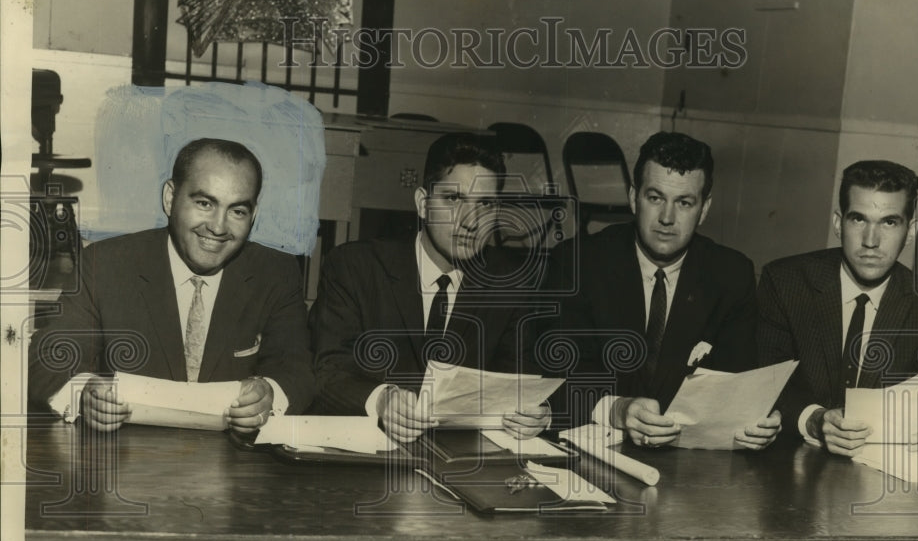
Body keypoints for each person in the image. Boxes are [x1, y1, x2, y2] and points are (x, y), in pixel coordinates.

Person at [29, 138, 315, 436]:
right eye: (204, 203)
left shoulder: (275, 273)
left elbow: (297, 371)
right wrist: (83, 394)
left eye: (237, 211)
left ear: (253, 216)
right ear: (170, 198)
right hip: (124, 460)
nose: (218, 227)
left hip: (235, 465)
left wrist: (269, 394)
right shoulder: (106, 264)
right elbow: (47, 360)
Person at [309, 131, 549, 443]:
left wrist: (534, 414)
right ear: (423, 204)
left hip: (459, 460)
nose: (471, 221)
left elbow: (519, 381)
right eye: (453, 199)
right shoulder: (356, 267)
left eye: (486, 203)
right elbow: (326, 370)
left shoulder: (511, 283)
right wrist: (381, 400)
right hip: (363, 455)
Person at [546, 131, 779, 450]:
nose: (667, 218)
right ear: (632, 198)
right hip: (592, 448)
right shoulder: (578, 263)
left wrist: (755, 420)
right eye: (655, 198)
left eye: (684, 202)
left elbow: (735, 385)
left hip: (689, 462)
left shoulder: (731, 274)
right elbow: (554, 378)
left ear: (704, 209)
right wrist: (618, 410)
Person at [757, 159, 918, 455]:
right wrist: (813, 420)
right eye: (858, 219)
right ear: (838, 224)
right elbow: (761, 382)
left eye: (889, 222)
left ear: (910, 231)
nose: (871, 241)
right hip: (786, 468)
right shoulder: (786, 282)